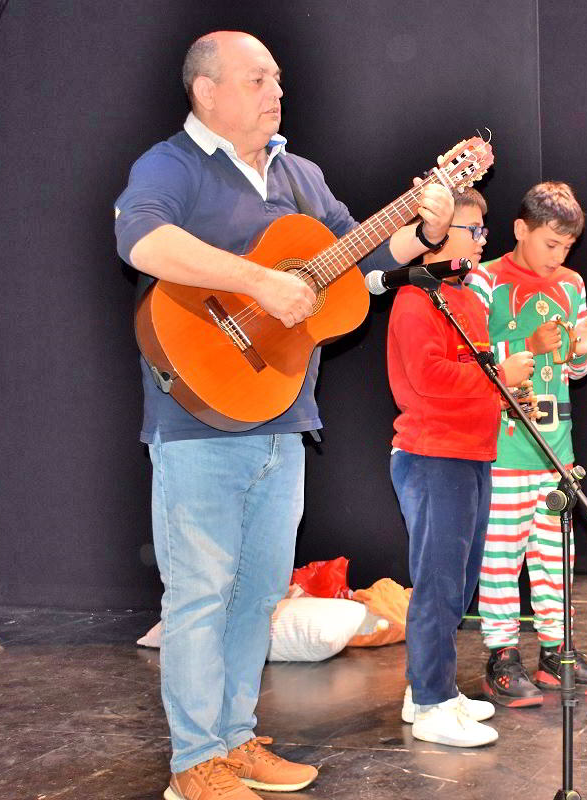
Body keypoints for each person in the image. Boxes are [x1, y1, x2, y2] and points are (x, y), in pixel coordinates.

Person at [114, 31, 457, 799]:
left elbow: (357, 256)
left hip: (282, 413)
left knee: (259, 594)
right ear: (206, 91)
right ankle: (193, 762)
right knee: (201, 593)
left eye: (277, 80)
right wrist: (259, 284)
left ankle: (233, 741)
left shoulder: (298, 175)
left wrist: (425, 226)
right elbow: (142, 240)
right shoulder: (170, 165)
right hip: (198, 419)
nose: (277, 92)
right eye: (258, 80)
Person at [386, 192, 538, 745]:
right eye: (469, 230)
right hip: (431, 455)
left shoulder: (466, 300)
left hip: (473, 452)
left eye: (480, 229)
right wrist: (501, 376)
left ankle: (431, 688)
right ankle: (429, 705)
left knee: (461, 581)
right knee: (439, 584)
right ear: (435, 232)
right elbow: (428, 378)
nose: (480, 240)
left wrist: (500, 385)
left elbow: (472, 371)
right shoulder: (412, 300)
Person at [465, 182, 587, 707]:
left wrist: (581, 347)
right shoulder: (484, 281)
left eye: (567, 247)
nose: (559, 257)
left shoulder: (572, 285)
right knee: (501, 559)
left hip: (556, 448)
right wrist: (526, 345)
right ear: (520, 230)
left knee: (555, 558)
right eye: (550, 244)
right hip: (504, 450)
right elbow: (473, 357)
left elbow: (573, 370)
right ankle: (501, 655)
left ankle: (557, 650)